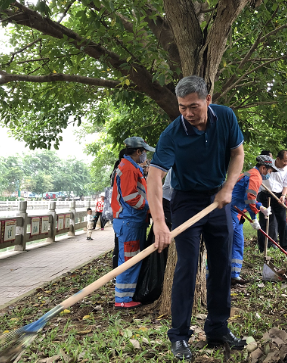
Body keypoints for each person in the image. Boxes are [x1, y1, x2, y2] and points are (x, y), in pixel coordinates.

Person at [147, 76, 246, 360]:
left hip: (218, 199)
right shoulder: (172, 134)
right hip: (186, 201)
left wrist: (228, 188)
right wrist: (160, 223)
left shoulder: (225, 117)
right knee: (187, 267)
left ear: (208, 100)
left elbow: (237, 154)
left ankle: (218, 328)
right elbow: (154, 178)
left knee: (221, 265)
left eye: (193, 106)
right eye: (182, 108)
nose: (188, 113)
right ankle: (179, 336)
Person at [110, 136, 155, 309]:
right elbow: (131, 197)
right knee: (130, 260)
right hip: (130, 221)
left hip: (131, 221)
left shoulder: (129, 166)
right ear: (138, 152)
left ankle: (125, 297)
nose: (145, 156)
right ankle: (123, 299)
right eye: (144, 152)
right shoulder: (128, 168)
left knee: (130, 258)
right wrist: (149, 208)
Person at [230, 155, 275, 285]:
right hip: (231, 211)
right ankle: (216, 274)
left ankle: (234, 275)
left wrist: (262, 208)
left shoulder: (250, 173)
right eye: (270, 171)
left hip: (237, 213)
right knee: (226, 243)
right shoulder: (255, 176)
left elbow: (252, 199)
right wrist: (255, 219)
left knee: (238, 243)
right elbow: (249, 199)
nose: (269, 174)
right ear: (263, 168)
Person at [258, 150, 287, 252]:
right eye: (284, 161)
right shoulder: (268, 164)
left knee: (282, 221)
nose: (286, 163)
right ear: (278, 159)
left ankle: (285, 247)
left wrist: (283, 195)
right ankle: (262, 247)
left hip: (278, 196)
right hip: (264, 194)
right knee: (264, 221)